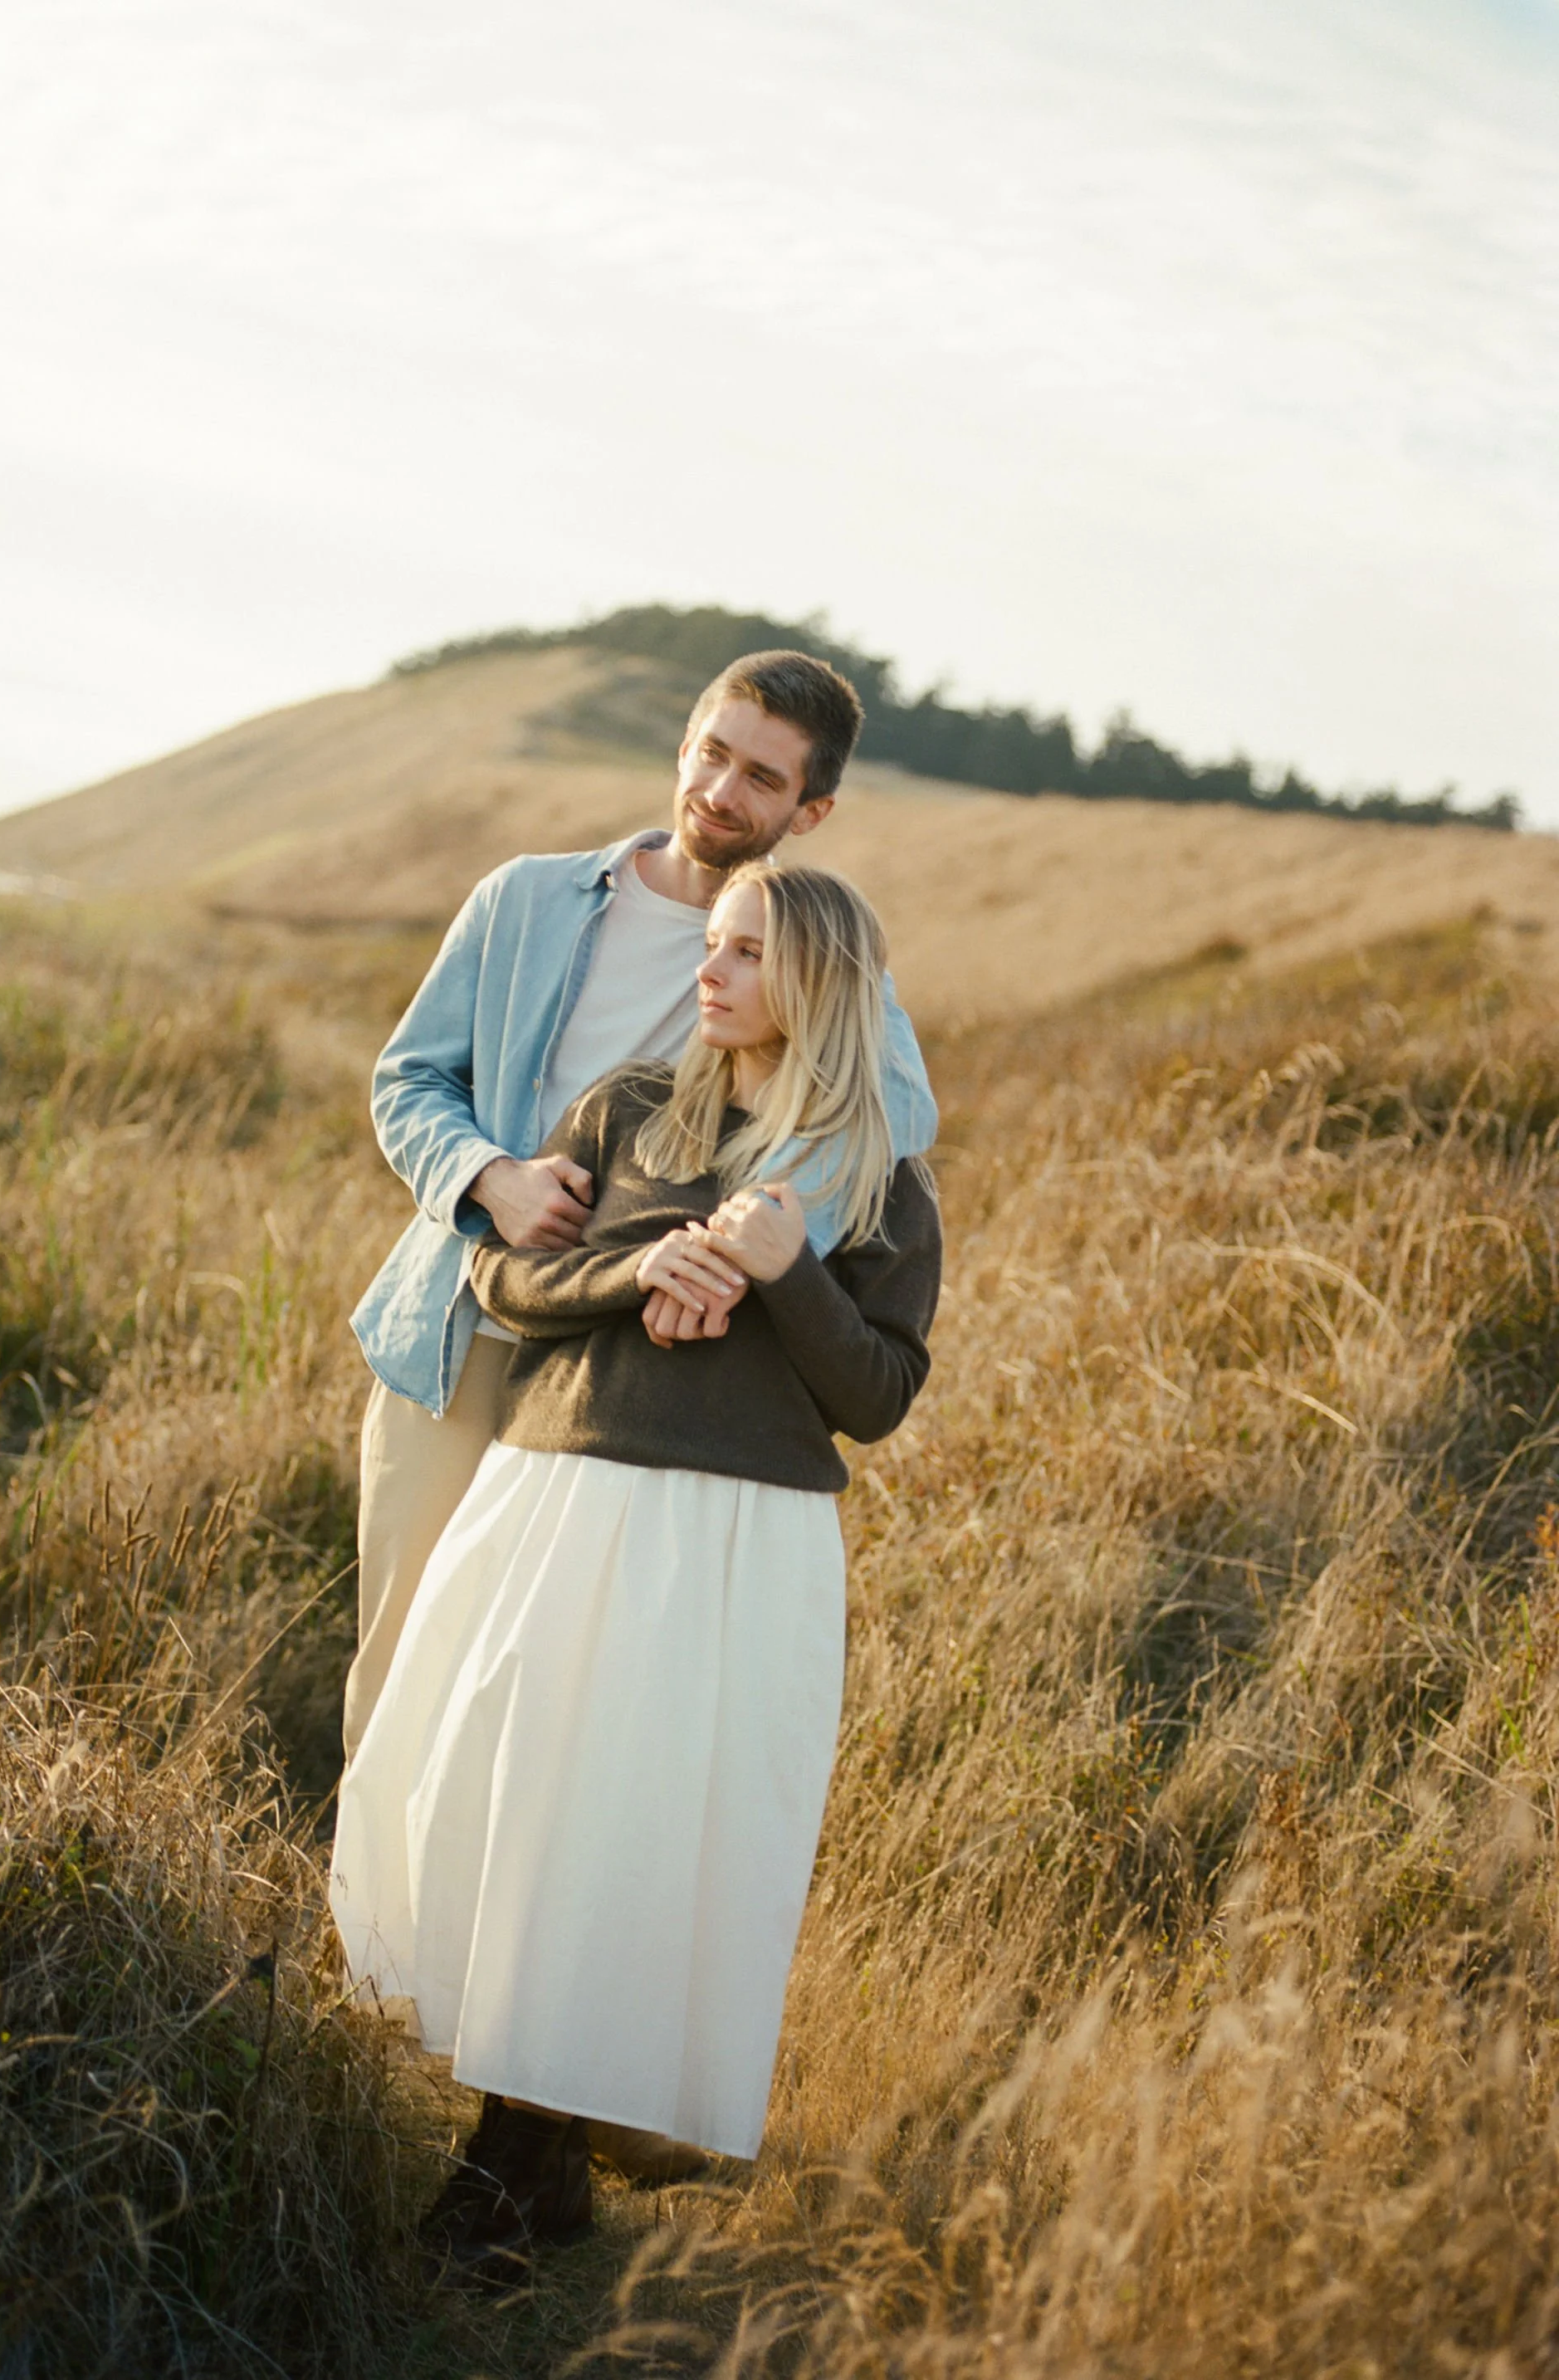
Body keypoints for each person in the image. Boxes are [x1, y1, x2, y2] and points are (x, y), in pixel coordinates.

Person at [330, 858, 942, 2280]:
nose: (708, 972)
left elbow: (880, 1393)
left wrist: (783, 1270)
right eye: (710, 944)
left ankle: (509, 2167)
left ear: (821, 984)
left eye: (742, 953)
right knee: (520, 1800)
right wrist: (645, 1266)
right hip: (556, 1493)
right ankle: (533, 2166)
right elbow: (500, 1278)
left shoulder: (877, 1183)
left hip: (735, 1536)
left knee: (629, 1835)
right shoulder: (626, 1115)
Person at [343, 648, 937, 1761]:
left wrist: (718, 1255)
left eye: (763, 777)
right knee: (407, 1657)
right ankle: (362, 1934)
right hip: (465, 1334)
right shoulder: (527, 898)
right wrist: (492, 1179)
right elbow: (409, 1078)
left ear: (810, 812)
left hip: (626, 1376)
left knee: (545, 1690)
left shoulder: (809, 958)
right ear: (684, 744)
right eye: (714, 752)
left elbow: (892, 1118)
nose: (722, 791)